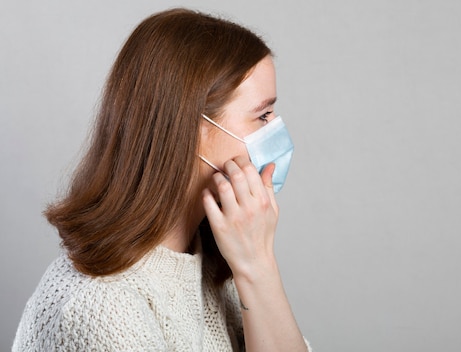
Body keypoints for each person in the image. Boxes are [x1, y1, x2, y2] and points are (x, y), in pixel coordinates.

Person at [13, 8, 310, 352]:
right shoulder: (101, 307)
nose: (276, 130)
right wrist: (255, 266)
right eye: (262, 115)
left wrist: (257, 267)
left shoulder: (210, 263)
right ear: (192, 129)